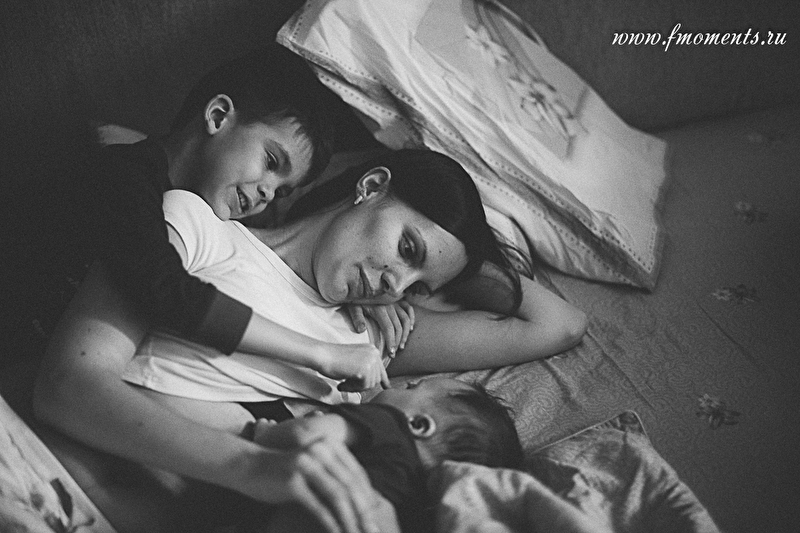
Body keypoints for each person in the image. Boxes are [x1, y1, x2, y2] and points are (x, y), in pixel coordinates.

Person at [34, 149, 588, 533]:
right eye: (408, 249)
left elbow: (559, 324)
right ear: (371, 187)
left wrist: (458, 263)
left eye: (418, 287)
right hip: (48, 473)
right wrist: (252, 469)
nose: (397, 284)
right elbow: (66, 387)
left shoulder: (371, 342)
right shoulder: (199, 228)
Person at [78, 42, 409, 392]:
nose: (267, 193)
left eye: (281, 191)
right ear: (218, 116)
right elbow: (165, 289)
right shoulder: (125, 177)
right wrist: (321, 353)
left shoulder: (210, 218)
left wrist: (363, 296)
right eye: (271, 162)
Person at [248, 377, 524, 533]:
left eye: (412, 387)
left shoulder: (389, 425)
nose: (402, 384)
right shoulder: (414, 507)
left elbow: (306, 434)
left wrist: (266, 434)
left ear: (418, 424)